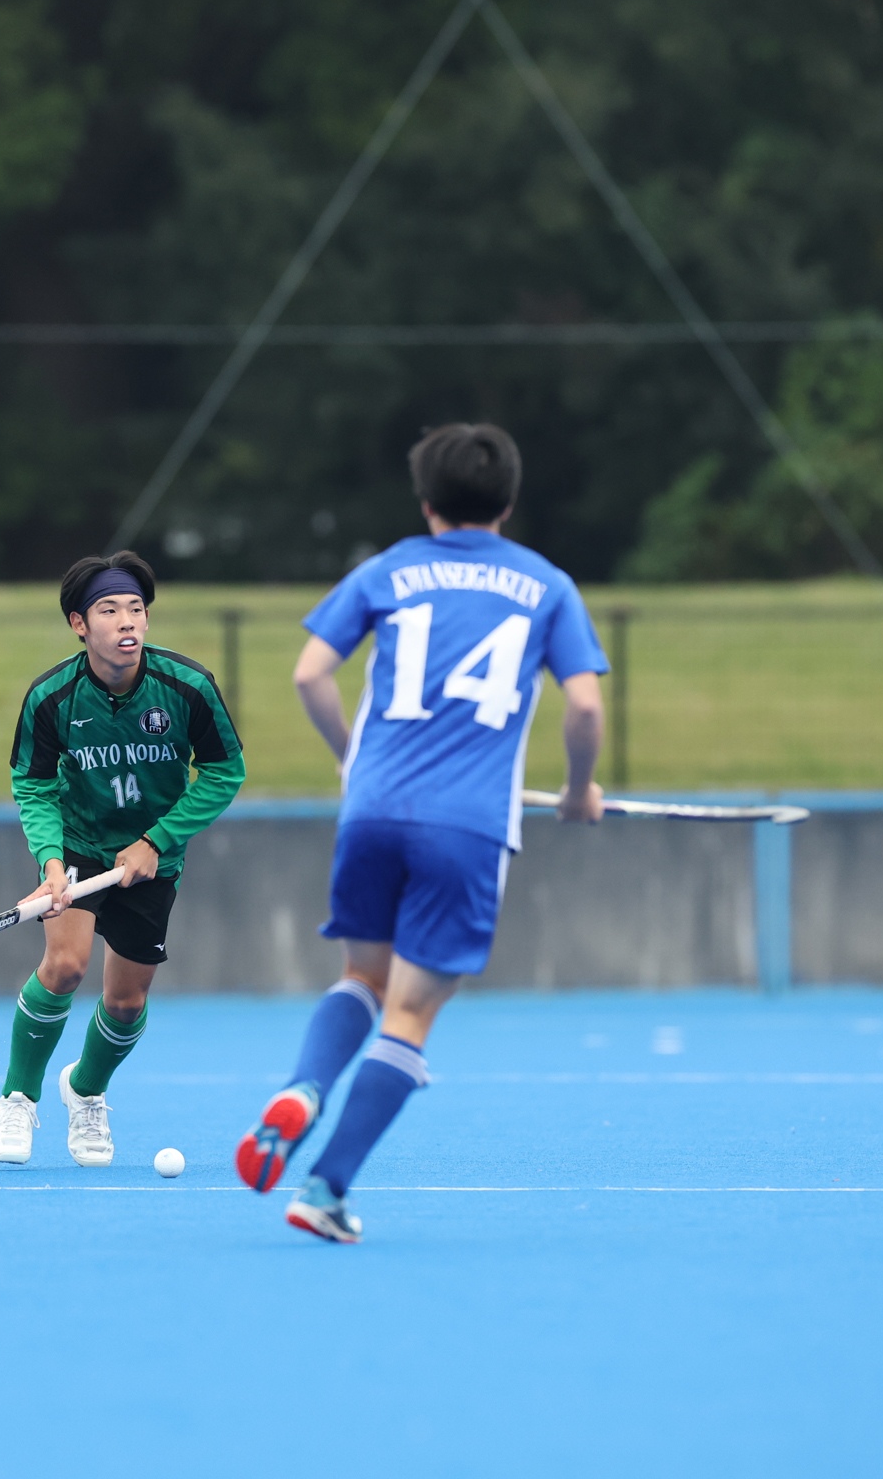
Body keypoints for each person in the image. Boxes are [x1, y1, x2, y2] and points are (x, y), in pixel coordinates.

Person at [234, 423, 607, 1241]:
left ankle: (303, 1088)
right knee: (410, 1013)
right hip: (466, 825)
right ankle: (324, 1188)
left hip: (370, 810)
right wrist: (581, 791)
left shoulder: (389, 568)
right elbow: (584, 705)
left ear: (427, 501)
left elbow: (310, 673)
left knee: (362, 976)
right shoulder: (548, 585)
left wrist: (353, 760)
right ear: (509, 500)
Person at [0, 551, 245, 1167]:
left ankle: (85, 1090)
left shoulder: (188, 687)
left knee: (126, 1004)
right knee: (65, 966)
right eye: (109, 610)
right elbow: (33, 785)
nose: (127, 621)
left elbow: (224, 772)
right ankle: (18, 1098)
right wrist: (51, 863)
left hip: (154, 856)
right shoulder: (52, 697)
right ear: (79, 624)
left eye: (136, 609)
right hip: (79, 843)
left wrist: (157, 840)